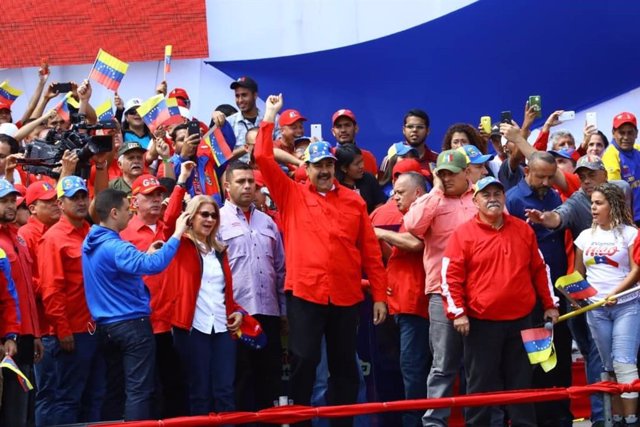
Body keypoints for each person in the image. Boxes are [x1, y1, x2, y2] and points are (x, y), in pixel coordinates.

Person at [254, 94, 387, 427]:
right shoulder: (291, 195)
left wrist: (382, 296)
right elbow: (261, 156)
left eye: (329, 165)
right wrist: (269, 114)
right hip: (305, 295)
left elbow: (370, 252)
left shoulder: (355, 203)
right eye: (318, 166)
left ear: (335, 167)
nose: (325, 171)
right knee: (304, 361)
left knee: (344, 367)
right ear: (307, 170)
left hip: (345, 295)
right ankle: (300, 422)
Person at [442, 176, 559, 427]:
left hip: (522, 321)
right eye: (486, 195)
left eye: (497, 193)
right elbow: (449, 277)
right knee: (480, 385)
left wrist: (550, 304)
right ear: (475, 201)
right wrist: (458, 313)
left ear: (504, 197)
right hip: (480, 322)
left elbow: (540, 269)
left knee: (521, 383)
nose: (493, 198)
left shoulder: (523, 228)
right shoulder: (462, 235)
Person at [82, 188, 190, 421]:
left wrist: (147, 254)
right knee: (139, 391)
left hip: (105, 327)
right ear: (113, 213)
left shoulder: (90, 241)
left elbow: (122, 271)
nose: (130, 215)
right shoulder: (116, 246)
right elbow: (154, 266)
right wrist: (178, 233)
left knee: (114, 390)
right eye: (125, 210)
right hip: (132, 324)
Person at [402, 149, 476, 427]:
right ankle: (434, 423)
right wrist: (434, 192)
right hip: (441, 292)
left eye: (451, 174)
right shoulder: (431, 200)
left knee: (477, 365)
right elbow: (412, 225)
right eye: (441, 174)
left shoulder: (481, 196)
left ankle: (478, 420)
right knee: (443, 364)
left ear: (466, 173)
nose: (446, 179)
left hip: (480, 291)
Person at [505, 151, 573, 426]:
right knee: (532, 355)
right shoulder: (514, 199)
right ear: (526, 172)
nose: (546, 182)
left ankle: (558, 412)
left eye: (550, 176)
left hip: (557, 284)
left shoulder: (554, 196)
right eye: (540, 176)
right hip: (529, 289)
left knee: (560, 349)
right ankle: (531, 416)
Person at [120, 164, 193, 418]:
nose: (155, 200)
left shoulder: (165, 227)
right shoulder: (123, 235)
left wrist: (182, 179)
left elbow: (173, 211)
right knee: (145, 390)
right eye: (149, 195)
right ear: (133, 201)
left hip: (173, 321)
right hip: (143, 324)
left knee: (176, 387)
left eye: (158, 195)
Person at [219, 162, 286, 417]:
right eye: (240, 182)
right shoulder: (217, 219)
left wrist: (283, 311)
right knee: (239, 380)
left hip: (267, 311)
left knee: (268, 379)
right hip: (234, 315)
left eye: (251, 182)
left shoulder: (267, 223)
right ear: (227, 186)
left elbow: (280, 268)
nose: (248, 186)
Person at [168, 195, 245, 416]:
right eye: (204, 214)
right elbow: (168, 220)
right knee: (199, 393)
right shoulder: (180, 245)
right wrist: (181, 182)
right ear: (190, 218)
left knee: (225, 392)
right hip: (194, 329)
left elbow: (225, 292)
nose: (210, 219)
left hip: (223, 328)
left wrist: (238, 311)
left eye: (214, 215)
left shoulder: (221, 251)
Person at [38, 176, 104, 424]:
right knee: (67, 398)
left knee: (96, 395)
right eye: (73, 198)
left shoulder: (92, 232)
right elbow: (51, 288)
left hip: (96, 327)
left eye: (83, 196)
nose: (79, 202)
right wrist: (62, 329)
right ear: (60, 203)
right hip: (72, 331)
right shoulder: (53, 238)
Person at [574, 183, 640, 427]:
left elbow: (636, 270)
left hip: (627, 305)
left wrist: (614, 293)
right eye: (592, 203)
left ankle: (632, 420)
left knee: (624, 361)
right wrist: (574, 294)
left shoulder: (630, 233)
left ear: (613, 205)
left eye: (599, 203)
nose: (593, 207)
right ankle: (616, 418)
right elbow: (578, 274)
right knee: (607, 366)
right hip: (595, 309)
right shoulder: (584, 237)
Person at [373, 172, 429, 427]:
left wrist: (380, 233)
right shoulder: (408, 216)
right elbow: (397, 254)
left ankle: (414, 422)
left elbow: (414, 244)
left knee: (413, 369)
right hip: (397, 303)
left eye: (399, 192)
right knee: (400, 368)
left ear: (417, 193)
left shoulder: (425, 213)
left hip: (416, 305)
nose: (393, 197)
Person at [0, 178, 42, 427]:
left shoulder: (17, 238)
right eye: (3, 201)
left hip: (23, 336)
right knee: (10, 412)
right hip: (6, 339)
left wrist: (35, 333)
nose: (11, 206)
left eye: (11, 201)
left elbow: (23, 292)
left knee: (23, 412)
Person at [17, 181, 60, 427]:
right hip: (42, 328)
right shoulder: (26, 235)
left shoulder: (58, 229)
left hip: (57, 325)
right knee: (46, 393)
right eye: (47, 201)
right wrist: (54, 288)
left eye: (56, 199)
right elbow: (26, 281)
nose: (55, 204)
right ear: (32, 208)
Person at [226, 76, 280, 163]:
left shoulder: (273, 120)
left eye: (244, 95)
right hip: (239, 174)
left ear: (255, 95)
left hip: (266, 172)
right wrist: (246, 147)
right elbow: (223, 158)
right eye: (237, 96)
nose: (240, 100)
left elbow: (280, 150)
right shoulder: (228, 123)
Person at [601, 112, 640, 225]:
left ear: (636, 133)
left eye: (630, 133)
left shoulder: (638, 149)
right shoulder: (610, 155)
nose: (626, 137)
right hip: (631, 221)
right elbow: (616, 194)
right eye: (621, 133)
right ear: (613, 133)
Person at [379, 109, 438, 179]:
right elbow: (380, 186)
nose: (414, 130)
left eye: (420, 127)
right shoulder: (391, 158)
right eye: (410, 127)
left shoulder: (436, 159)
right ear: (404, 130)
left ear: (428, 131)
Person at [335, 144, 386, 213]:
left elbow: (380, 204)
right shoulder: (335, 187)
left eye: (361, 161)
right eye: (357, 164)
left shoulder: (369, 179)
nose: (362, 166)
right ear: (344, 168)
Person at [331, 109, 378, 176]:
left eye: (347, 125)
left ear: (356, 128)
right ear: (333, 132)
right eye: (339, 126)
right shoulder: (329, 158)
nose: (343, 130)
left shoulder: (368, 157)